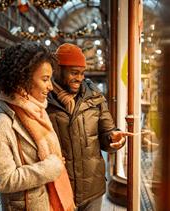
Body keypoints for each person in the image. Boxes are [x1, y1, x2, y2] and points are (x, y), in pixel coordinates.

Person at [0, 42, 75, 211]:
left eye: (50, 79)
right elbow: (4, 180)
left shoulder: (38, 111)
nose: (50, 86)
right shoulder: (0, 123)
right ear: (22, 80)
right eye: (45, 79)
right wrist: (51, 167)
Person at [46, 43, 131, 210]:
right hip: (59, 188)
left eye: (82, 73)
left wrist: (114, 139)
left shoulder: (95, 97)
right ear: (57, 69)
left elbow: (108, 131)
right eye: (74, 73)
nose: (80, 78)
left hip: (92, 189)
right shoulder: (43, 101)